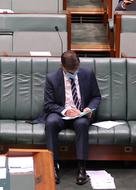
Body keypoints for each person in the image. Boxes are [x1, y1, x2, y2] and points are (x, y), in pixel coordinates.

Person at [39, 51, 101, 185]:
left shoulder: (88, 74)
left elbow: (96, 96)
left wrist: (89, 108)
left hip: (80, 113)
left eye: (76, 70)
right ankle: (53, 167)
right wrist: (66, 111)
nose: (73, 73)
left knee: (82, 124)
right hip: (61, 114)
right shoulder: (52, 78)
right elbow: (49, 104)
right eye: (70, 71)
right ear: (62, 66)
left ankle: (82, 168)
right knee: (50, 123)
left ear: (78, 64)